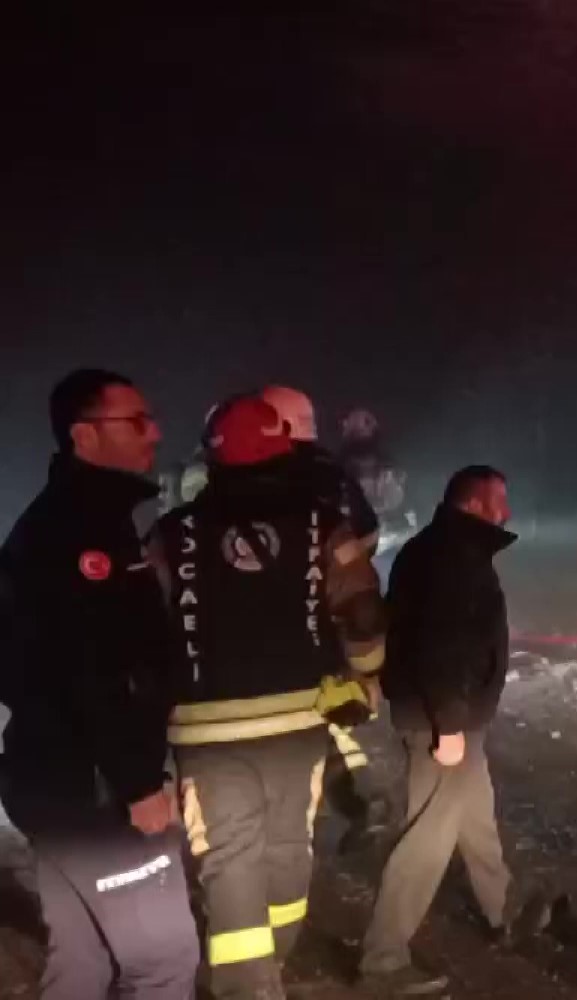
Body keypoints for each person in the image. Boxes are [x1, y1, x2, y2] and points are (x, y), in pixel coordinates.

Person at [148, 396, 387, 1000]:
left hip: (207, 735)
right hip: (298, 727)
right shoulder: (322, 525)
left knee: (230, 857)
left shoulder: (170, 535)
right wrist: (366, 680)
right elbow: (361, 612)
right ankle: (263, 971)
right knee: (288, 850)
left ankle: (250, 981)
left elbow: (141, 630)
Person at [0, 369, 199, 999]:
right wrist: (138, 782)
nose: (156, 432)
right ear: (85, 435)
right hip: (97, 795)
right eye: (136, 421)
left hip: (56, 785)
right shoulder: (79, 531)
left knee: (81, 965)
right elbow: (90, 667)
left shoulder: (78, 520)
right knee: (162, 965)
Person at [358, 466, 550, 995]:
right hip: (441, 720)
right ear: (474, 503)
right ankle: (383, 958)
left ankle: (504, 911)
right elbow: (443, 648)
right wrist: (449, 724)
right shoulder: (454, 560)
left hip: (447, 717)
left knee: (476, 816)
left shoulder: (437, 549)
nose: (505, 512)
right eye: (498, 500)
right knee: (428, 833)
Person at [261, 384, 389, 851]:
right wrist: (342, 568)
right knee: (329, 711)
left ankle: (307, 823)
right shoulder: (332, 472)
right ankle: (357, 799)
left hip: (273, 625)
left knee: (300, 720)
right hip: (334, 619)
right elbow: (369, 533)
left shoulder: (257, 473)